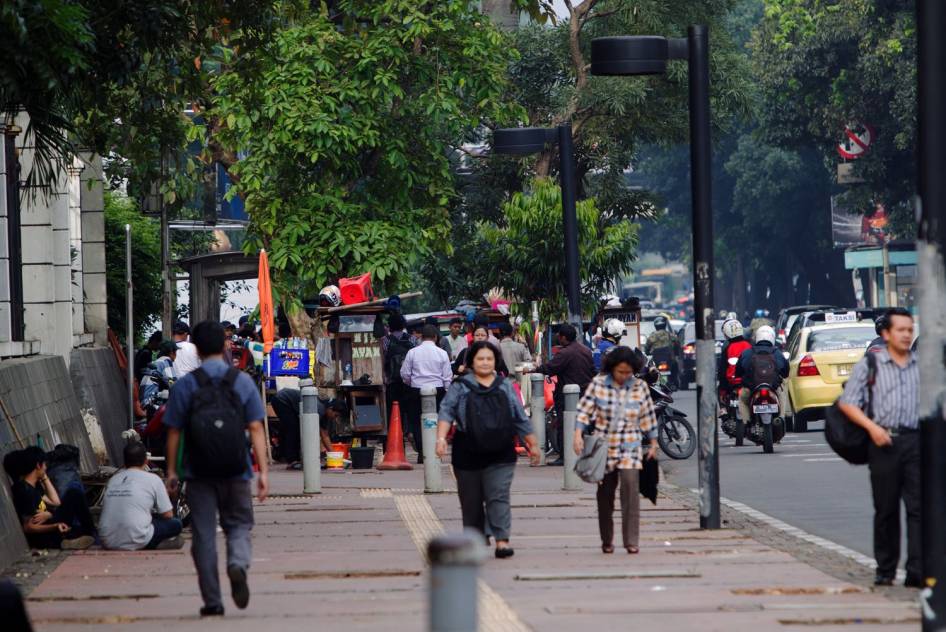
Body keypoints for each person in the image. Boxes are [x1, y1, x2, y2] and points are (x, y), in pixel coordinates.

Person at [163, 320, 269, 617]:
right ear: (224, 345)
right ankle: (237, 562)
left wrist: (172, 471)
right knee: (238, 525)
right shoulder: (241, 381)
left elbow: (173, 431)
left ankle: (213, 600)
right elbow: (256, 428)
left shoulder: (186, 385)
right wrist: (263, 473)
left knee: (204, 536)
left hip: (198, 472)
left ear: (195, 348)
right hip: (236, 469)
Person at [837, 307, 920, 588]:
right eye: (901, 330)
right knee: (886, 510)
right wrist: (872, 428)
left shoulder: (921, 365)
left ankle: (917, 570)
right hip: (882, 443)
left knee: (918, 509)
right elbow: (848, 401)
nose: (907, 335)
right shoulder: (870, 364)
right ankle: (885, 569)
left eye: (910, 330)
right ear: (886, 333)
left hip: (915, 442)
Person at [435, 341, 539, 558]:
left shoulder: (505, 386)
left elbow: (519, 417)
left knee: (498, 496)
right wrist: (441, 438)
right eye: (480, 358)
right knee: (471, 500)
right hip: (467, 452)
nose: (484, 362)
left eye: (489, 359)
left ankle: (502, 541)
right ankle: (475, 539)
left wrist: (533, 445)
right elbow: (446, 412)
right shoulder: (460, 386)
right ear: (472, 361)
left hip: (501, 452)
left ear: (495, 361)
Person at [574, 346, 658, 554]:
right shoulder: (598, 384)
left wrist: (654, 443)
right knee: (605, 495)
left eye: (628, 372)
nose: (624, 376)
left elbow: (648, 415)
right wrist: (577, 435)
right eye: (620, 371)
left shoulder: (640, 387)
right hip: (604, 446)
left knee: (630, 492)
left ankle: (631, 540)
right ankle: (607, 539)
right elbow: (584, 412)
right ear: (612, 368)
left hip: (630, 446)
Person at [3, 446, 95, 550]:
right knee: (74, 494)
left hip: (51, 522)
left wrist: (44, 477)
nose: (46, 467)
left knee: (73, 495)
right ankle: (66, 539)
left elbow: (55, 502)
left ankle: (73, 537)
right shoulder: (23, 490)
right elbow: (28, 527)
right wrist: (55, 525)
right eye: (44, 464)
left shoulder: (34, 485)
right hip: (45, 535)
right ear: (38, 465)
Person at [99, 441, 183, 550]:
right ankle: (152, 544)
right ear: (146, 461)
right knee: (176, 524)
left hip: (107, 540)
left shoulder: (113, 480)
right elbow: (168, 515)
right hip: (136, 537)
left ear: (124, 462)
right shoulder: (153, 479)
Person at [534, 324, 595, 466]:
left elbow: (550, 368)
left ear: (563, 337)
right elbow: (592, 370)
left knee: (564, 425)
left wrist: (535, 369)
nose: (558, 339)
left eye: (559, 336)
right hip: (585, 393)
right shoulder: (586, 350)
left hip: (567, 397)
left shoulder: (564, 353)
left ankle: (564, 456)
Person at [400, 325, 453, 464]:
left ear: (421, 337)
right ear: (435, 337)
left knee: (417, 422)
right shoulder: (442, 353)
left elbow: (404, 374)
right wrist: (446, 391)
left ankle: (422, 451)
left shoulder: (412, 352)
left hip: (416, 390)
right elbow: (447, 376)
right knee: (437, 421)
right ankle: (435, 451)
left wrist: (412, 382)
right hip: (438, 390)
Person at [272, 389, 349, 469]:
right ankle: (292, 460)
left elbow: (325, 436)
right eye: (335, 415)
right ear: (330, 408)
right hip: (282, 400)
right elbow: (310, 433)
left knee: (294, 427)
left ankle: (283, 455)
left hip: (290, 403)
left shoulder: (325, 413)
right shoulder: (319, 409)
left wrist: (334, 456)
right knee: (293, 428)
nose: (334, 418)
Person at [734, 325, 789, 424]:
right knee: (782, 394)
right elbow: (785, 372)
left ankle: (747, 422)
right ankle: (781, 417)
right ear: (772, 337)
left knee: (742, 399)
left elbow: (738, 371)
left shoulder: (747, 353)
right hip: (773, 387)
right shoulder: (777, 353)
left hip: (751, 388)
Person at [381, 312, 416, 430]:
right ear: (403, 325)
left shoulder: (385, 340)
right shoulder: (412, 339)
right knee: (410, 411)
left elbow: (382, 360)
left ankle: (395, 434)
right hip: (410, 382)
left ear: (389, 326)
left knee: (393, 411)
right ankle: (410, 433)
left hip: (392, 382)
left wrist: (384, 378)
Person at [717, 318, 752, 406]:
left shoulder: (728, 348)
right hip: (748, 381)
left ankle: (723, 410)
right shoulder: (749, 345)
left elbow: (723, 370)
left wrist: (722, 389)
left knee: (719, 391)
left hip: (731, 383)